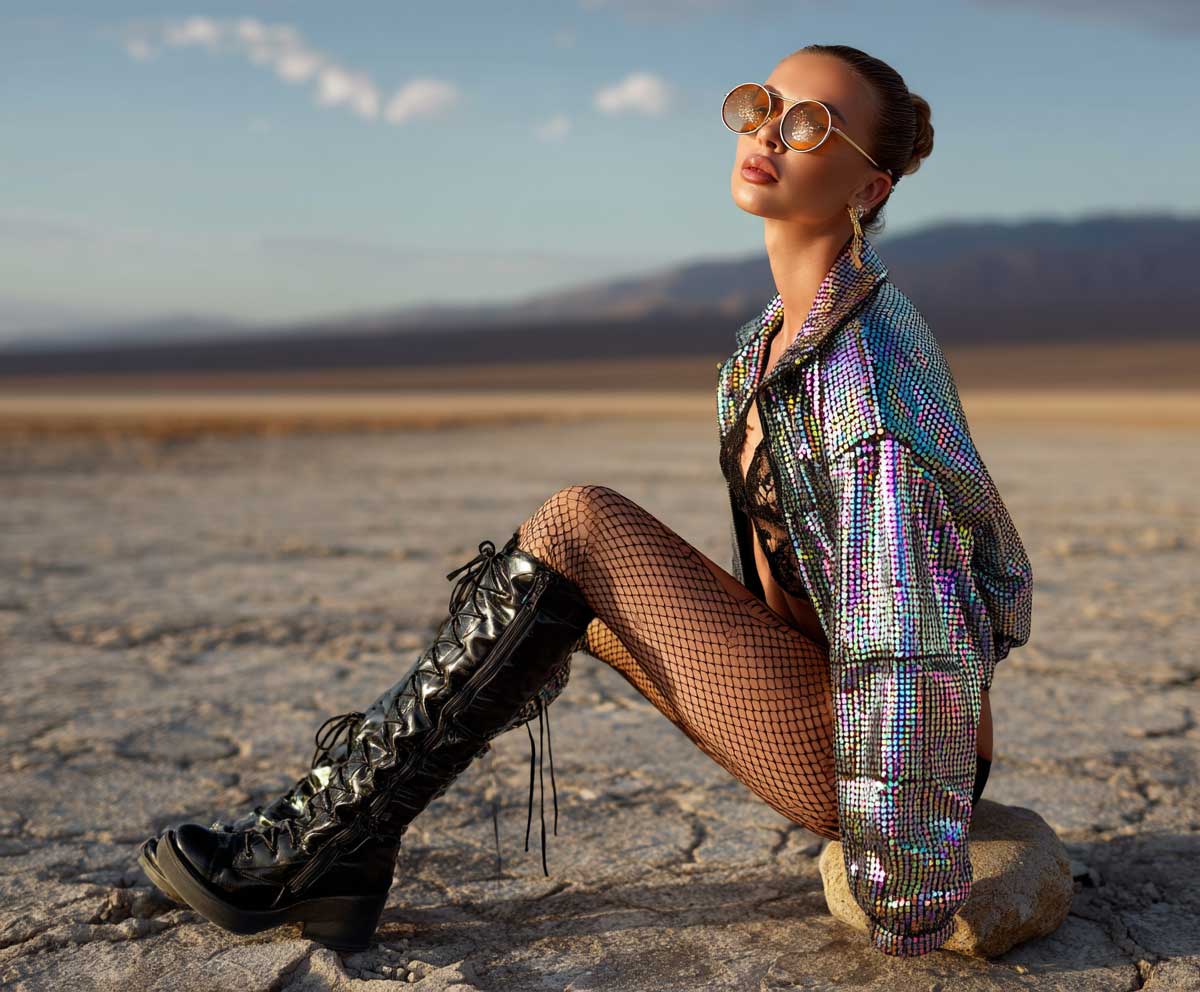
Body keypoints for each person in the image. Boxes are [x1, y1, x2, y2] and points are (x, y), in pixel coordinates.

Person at [137, 43, 1032, 958]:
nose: (768, 133)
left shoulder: (867, 375)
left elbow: (907, 634)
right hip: (819, 692)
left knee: (581, 524)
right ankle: (343, 844)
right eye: (762, 105)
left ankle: (322, 848)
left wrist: (904, 872)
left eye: (809, 125)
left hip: (889, 753)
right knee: (551, 580)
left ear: (869, 189)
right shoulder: (768, 341)